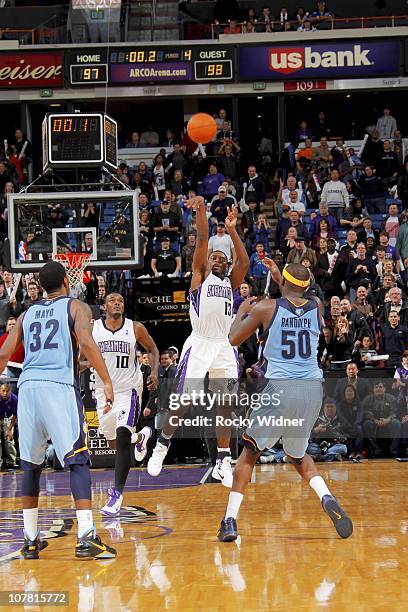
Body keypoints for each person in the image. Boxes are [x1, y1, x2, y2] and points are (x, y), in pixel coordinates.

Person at [217, 262, 353, 542]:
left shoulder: (265, 307)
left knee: (250, 454)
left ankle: (230, 520)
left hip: (280, 388)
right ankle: (326, 496)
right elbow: (293, 297)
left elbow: (232, 339)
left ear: (284, 282)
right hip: (312, 389)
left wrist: (241, 312)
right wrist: (283, 277)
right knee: (298, 455)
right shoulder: (316, 305)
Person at [0, 261, 116, 559]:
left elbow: (3, 353)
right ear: (67, 280)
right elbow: (87, 343)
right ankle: (87, 536)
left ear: (40, 285)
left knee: (31, 465)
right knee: (77, 461)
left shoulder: (26, 314)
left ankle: (29, 539)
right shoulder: (76, 307)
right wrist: (106, 380)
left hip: (26, 388)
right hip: (58, 388)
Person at [147, 197, 249, 487]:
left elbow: (243, 261)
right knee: (184, 401)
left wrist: (232, 230)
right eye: (214, 257)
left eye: (222, 259)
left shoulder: (231, 282)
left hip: (225, 346)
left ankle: (222, 460)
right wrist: (202, 212)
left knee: (225, 404)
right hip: (200, 343)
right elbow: (203, 237)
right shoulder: (199, 276)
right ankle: (161, 445)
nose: (218, 259)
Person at [89, 293, 159, 517]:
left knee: (120, 436)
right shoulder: (93, 329)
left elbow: (153, 350)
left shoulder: (134, 328)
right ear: (104, 306)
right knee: (113, 442)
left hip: (128, 390)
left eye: (120, 300)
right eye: (112, 300)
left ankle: (116, 495)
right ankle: (140, 437)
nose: (117, 303)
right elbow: (83, 357)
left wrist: (155, 371)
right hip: (103, 391)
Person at [0, 382, 18, 469]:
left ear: (10, 391)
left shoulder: (14, 399)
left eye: (7, 391)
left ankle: (12, 462)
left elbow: (15, 415)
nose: (5, 393)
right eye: (3, 391)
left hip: (9, 418)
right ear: (0, 391)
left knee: (9, 440)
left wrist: (9, 429)